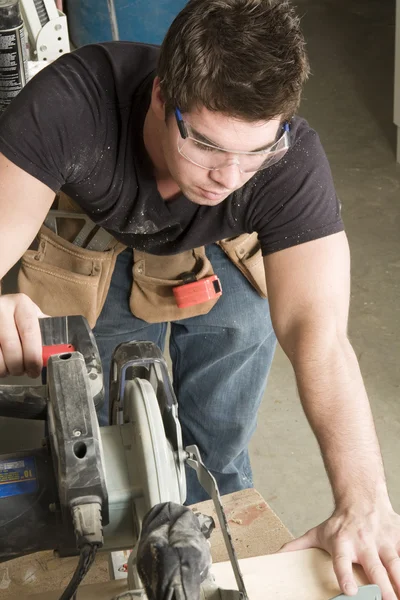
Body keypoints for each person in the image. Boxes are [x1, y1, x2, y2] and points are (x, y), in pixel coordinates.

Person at [0, 0, 399, 596]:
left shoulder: (286, 160)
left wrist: (364, 501)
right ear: (163, 96)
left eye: (255, 151)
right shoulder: (68, 106)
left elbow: (322, 338)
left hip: (225, 248)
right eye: (208, 145)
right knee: (99, 450)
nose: (231, 175)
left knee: (218, 452)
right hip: (90, 238)